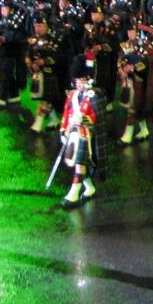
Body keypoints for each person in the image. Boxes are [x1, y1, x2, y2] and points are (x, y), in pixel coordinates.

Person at [59, 55, 109, 209]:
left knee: (79, 164)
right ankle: (89, 187)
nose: (79, 84)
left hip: (88, 136)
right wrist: (63, 130)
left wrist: (83, 120)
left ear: (89, 80)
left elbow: (99, 120)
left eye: (82, 80)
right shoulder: (72, 95)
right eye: (77, 81)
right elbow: (66, 114)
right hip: (73, 134)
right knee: (78, 164)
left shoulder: (95, 96)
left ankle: (73, 194)